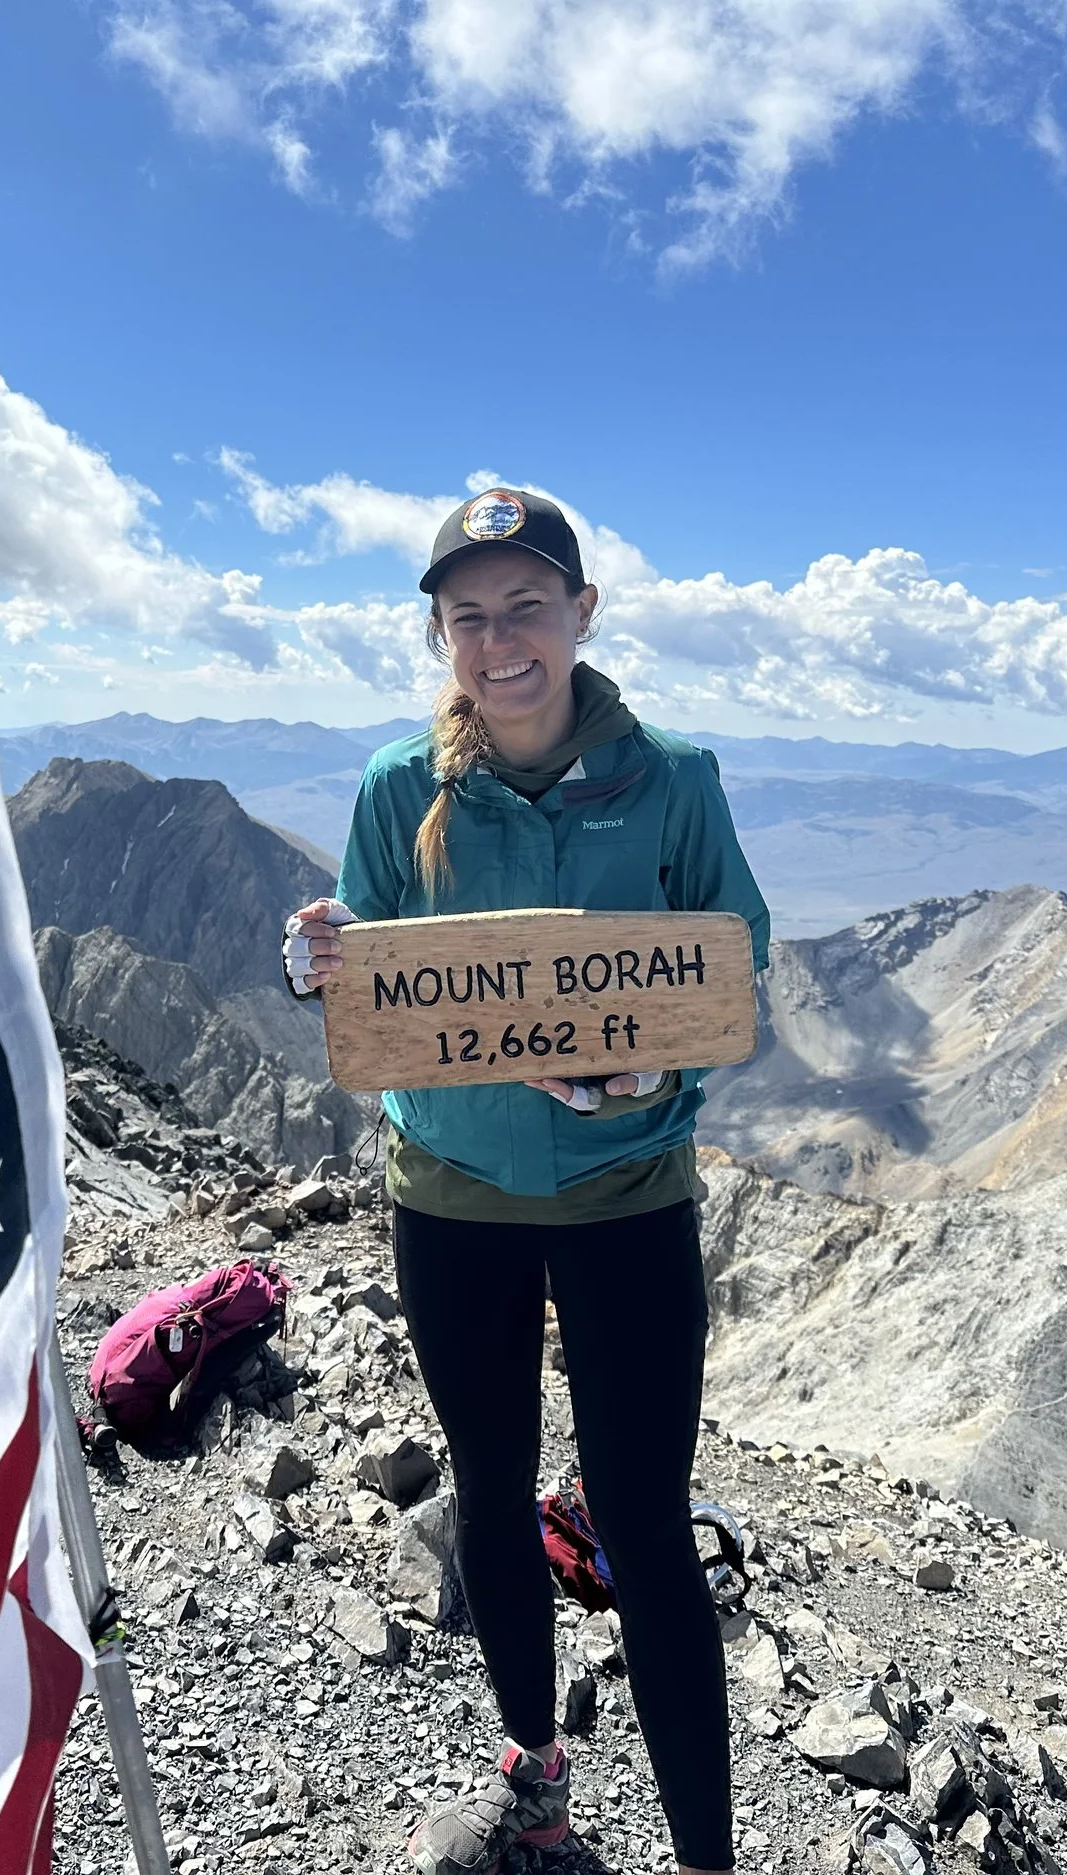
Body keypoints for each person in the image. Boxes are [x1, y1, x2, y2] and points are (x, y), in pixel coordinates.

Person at [282, 487, 770, 1875]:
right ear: (441, 633)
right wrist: (315, 964)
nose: (501, 642)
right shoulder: (398, 790)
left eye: (527, 607)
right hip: (452, 1199)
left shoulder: (674, 778)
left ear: (582, 615)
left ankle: (705, 1858)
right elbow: (370, 1010)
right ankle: (534, 1773)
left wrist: (650, 1078)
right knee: (491, 1489)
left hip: (627, 1200)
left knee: (644, 1519)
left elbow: (736, 971)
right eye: (469, 615)